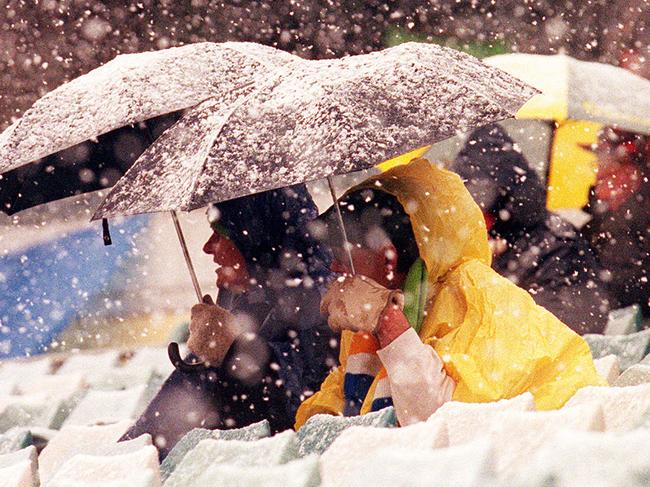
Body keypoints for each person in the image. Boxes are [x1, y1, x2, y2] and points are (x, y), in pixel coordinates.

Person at [295, 158, 604, 429]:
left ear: (389, 259)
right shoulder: (370, 309)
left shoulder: (477, 299)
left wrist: (391, 325)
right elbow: (344, 408)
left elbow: (444, 427)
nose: (335, 266)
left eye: (343, 254)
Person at [122, 185, 337, 458]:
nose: (208, 247)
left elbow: (300, 418)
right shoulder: (247, 301)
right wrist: (133, 455)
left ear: (253, 241)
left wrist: (232, 348)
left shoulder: (319, 304)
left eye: (220, 234)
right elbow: (181, 400)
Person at [451, 124, 612, 334]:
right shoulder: (506, 242)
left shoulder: (557, 249)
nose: (467, 221)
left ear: (500, 201)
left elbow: (559, 333)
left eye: (474, 208)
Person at [583, 127, 650, 316]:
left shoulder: (632, 225)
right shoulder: (601, 219)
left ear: (630, 172)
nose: (597, 174)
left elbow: (625, 284)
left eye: (602, 163)